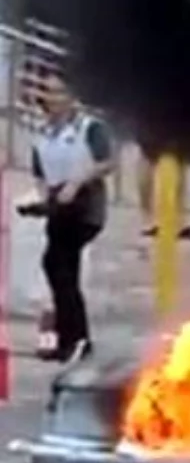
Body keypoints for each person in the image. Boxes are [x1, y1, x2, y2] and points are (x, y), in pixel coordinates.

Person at [30, 74, 115, 362]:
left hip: (84, 205)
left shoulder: (89, 127)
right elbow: (40, 172)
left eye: (58, 93)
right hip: (58, 205)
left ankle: (77, 338)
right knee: (60, 268)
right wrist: (41, 198)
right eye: (48, 92)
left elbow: (106, 162)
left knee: (59, 263)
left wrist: (77, 182)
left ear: (71, 97)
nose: (52, 99)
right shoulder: (43, 132)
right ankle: (71, 338)